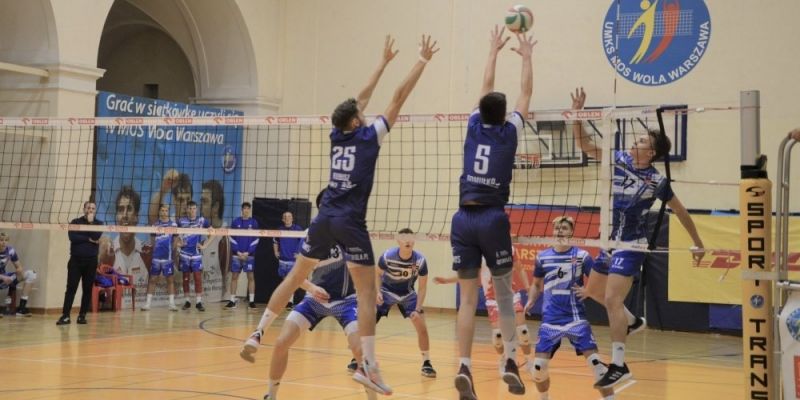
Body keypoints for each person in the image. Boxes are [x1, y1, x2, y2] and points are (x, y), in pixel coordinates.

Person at [241, 35, 439, 395]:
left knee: (296, 275)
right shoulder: (369, 137)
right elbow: (397, 98)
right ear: (357, 122)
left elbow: (358, 100)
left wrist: (382, 63)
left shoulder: (337, 135)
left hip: (325, 217)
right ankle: (370, 367)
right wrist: (421, 61)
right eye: (361, 114)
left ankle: (258, 331)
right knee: (368, 292)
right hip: (349, 220)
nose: (364, 112)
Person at [569, 88, 706, 388]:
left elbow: (681, 212)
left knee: (611, 299)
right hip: (610, 240)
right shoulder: (618, 159)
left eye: (642, 141)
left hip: (632, 244)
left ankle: (619, 365)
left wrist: (698, 242)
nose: (635, 142)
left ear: (651, 153)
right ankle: (632, 321)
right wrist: (578, 115)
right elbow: (585, 144)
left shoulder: (657, 181)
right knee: (592, 291)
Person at [450, 26, 535, 399]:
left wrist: (492, 51)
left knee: (468, 299)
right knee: (504, 294)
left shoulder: (473, 126)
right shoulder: (509, 132)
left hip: (462, 218)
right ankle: (510, 361)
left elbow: (485, 86)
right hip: (492, 218)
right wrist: (527, 56)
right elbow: (526, 93)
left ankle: (464, 366)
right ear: (504, 116)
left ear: (481, 110)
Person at [524, 216, 615, 400]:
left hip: (576, 319)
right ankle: (544, 398)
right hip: (550, 320)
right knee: (539, 368)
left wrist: (589, 291)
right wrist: (531, 300)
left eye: (564, 228)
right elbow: (536, 284)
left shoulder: (582, 256)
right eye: (557, 228)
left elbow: (598, 281)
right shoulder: (543, 257)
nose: (560, 231)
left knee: (597, 365)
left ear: (571, 232)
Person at [261, 243, 359, 400]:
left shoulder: (353, 236)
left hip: (346, 301)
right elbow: (297, 276)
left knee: (359, 348)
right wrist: (312, 288)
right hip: (315, 299)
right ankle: (271, 395)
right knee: (281, 342)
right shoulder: (313, 238)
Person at [433, 256, 532, 361]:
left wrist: (528, 288)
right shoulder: (480, 256)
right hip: (493, 299)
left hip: (511, 296)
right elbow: (467, 275)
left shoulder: (509, 249)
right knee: (497, 337)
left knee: (523, 331)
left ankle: (528, 360)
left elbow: (520, 269)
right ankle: (504, 360)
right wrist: (446, 280)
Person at [373, 228, 436, 378]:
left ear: (414, 241)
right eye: (404, 238)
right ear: (398, 241)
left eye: (410, 238)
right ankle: (357, 358)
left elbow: (422, 287)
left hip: (407, 294)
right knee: (367, 319)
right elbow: (377, 274)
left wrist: (418, 308)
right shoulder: (387, 256)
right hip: (386, 291)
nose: (407, 241)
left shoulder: (420, 261)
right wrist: (377, 292)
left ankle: (426, 362)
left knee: (421, 325)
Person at [57, 201, 104, 325]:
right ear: (84, 209)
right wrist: (88, 239)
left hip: (91, 261)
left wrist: (90, 224)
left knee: (87, 289)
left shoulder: (99, 224)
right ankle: (65, 316)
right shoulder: (75, 222)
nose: (90, 210)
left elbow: (96, 237)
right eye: (88, 208)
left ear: (95, 210)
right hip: (76, 261)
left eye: (93, 208)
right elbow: (73, 238)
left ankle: (82, 316)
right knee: (71, 288)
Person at [141, 203, 179, 311]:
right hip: (156, 258)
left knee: (170, 280)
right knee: (152, 279)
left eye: (166, 210)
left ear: (168, 212)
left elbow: (176, 239)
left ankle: (172, 304)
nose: (164, 212)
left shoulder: (173, 225)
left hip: (168, 258)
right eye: (162, 210)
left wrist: (171, 249)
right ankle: (148, 304)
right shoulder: (155, 225)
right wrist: (157, 250)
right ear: (159, 212)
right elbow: (153, 241)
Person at [200, 179, 231, 302]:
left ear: (216, 206)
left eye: (204, 202)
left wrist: (226, 295)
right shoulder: (199, 230)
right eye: (201, 201)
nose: (200, 206)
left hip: (217, 296)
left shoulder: (224, 237)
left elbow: (227, 271)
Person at [177, 201, 210, 311]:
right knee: (185, 278)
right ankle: (187, 301)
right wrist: (178, 243)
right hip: (184, 254)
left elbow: (214, 232)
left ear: (197, 209)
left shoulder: (202, 220)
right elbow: (174, 235)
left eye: (194, 208)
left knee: (197, 277)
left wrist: (205, 245)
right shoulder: (181, 221)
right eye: (190, 208)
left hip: (196, 254)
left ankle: (199, 302)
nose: (192, 211)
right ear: (187, 209)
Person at [227, 202, 259, 309]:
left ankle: (251, 301)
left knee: (251, 277)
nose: (246, 210)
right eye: (244, 208)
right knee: (234, 277)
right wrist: (237, 252)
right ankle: (232, 300)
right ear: (242, 210)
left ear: (250, 210)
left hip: (249, 255)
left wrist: (248, 252)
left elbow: (256, 239)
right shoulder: (236, 221)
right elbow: (231, 237)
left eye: (248, 208)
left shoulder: (254, 222)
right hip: (237, 255)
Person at [0, 232, 36, 317]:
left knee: (31, 274)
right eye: (1, 240)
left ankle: (21, 309)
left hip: (5, 278)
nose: (4, 242)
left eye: (6, 240)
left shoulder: (10, 250)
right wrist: (3, 277)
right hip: (2, 277)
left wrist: (18, 271)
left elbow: (19, 266)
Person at [273, 211, 303, 307]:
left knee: (291, 282)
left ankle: (290, 302)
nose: (287, 218)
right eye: (285, 217)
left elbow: (304, 242)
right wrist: (275, 252)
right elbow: (275, 241)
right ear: (283, 219)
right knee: (285, 282)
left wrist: (299, 254)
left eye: (289, 216)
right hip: (283, 259)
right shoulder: (280, 229)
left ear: (292, 218)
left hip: (293, 260)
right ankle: (287, 301)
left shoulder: (298, 229)